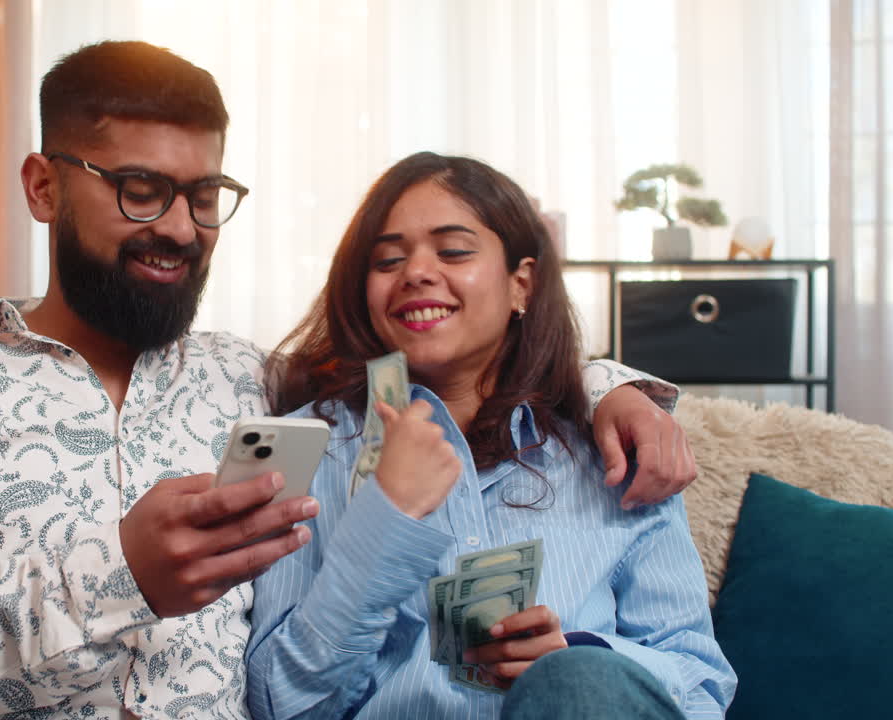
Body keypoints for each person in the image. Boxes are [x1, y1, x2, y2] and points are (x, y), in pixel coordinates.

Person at [0, 41, 695, 719]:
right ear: (42, 186)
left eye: (204, 195)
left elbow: (443, 359)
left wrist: (614, 389)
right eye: (140, 189)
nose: (181, 229)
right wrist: (120, 575)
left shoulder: (252, 384)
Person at [246, 152, 735, 719]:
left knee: (576, 682)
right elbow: (277, 704)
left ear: (520, 284)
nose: (416, 273)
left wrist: (581, 662)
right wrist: (384, 526)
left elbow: (700, 687)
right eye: (387, 260)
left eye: (453, 250)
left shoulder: (615, 452)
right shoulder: (304, 451)